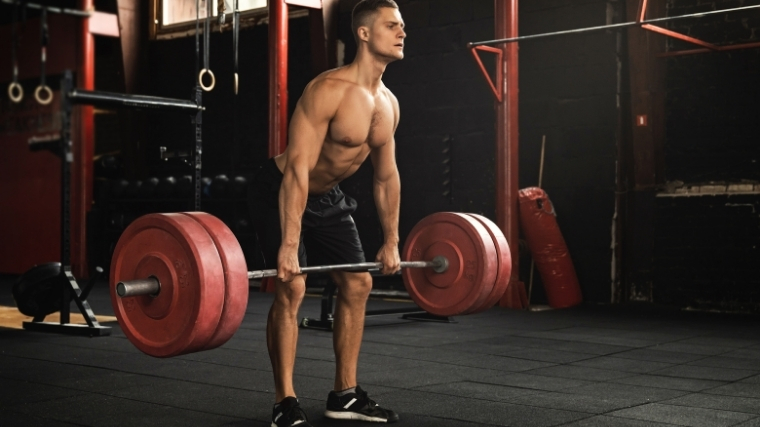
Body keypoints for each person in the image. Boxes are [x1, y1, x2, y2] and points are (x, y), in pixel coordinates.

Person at [248, 1, 406, 426]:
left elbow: (385, 178)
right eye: (392, 26)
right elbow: (297, 172)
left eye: (402, 26)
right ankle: (285, 401)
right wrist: (288, 245)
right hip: (280, 189)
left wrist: (391, 240)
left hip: (328, 196)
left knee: (358, 282)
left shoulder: (388, 104)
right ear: (364, 34)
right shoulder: (327, 90)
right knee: (293, 287)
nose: (402, 32)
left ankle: (346, 395)